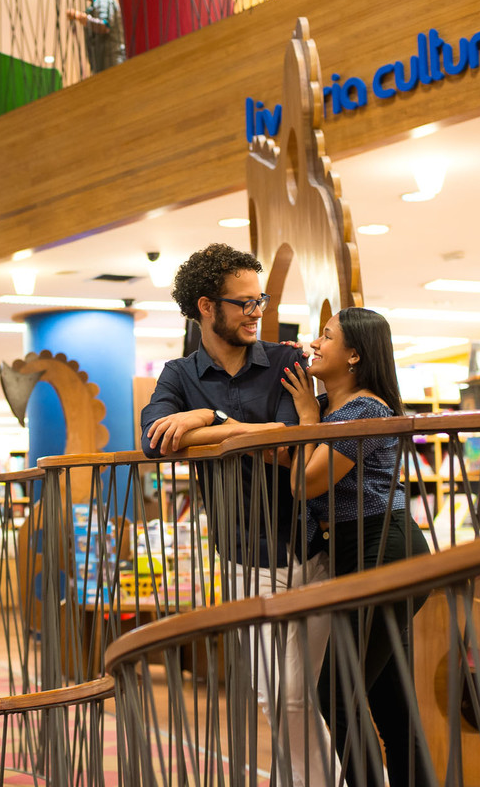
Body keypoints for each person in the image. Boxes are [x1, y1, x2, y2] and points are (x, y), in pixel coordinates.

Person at [141, 242, 335, 787]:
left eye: (261, 301)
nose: (257, 313)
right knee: (282, 695)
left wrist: (207, 419)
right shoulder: (179, 375)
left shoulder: (286, 362)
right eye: (244, 303)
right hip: (246, 554)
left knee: (303, 695)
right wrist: (215, 419)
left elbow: (283, 440)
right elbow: (156, 440)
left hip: (314, 547)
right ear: (206, 307)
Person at [281, 306, 433, 787]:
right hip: (358, 552)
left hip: (383, 550)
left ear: (353, 356)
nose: (315, 344)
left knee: (336, 694)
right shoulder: (335, 410)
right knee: (391, 703)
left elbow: (305, 483)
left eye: (326, 337)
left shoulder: (365, 410)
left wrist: (307, 416)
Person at [66, 0, 125, 74]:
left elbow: (104, 26)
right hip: (103, 63)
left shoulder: (102, 1)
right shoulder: (97, 4)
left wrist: (79, 17)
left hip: (111, 62)